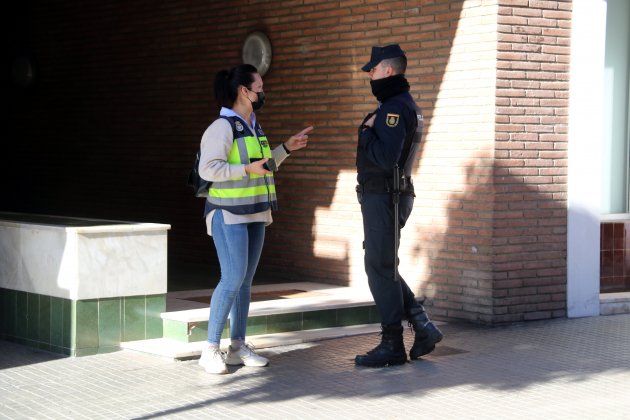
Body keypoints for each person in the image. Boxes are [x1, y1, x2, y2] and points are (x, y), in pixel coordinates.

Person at [197, 64, 313, 374]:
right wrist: (245, 170)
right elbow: (208, 170)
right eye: (259, 87)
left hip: (256, 212)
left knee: (245, 282)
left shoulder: (253, 125)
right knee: (232, 278)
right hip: (229, 214)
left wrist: (286, 147)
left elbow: (262, 165)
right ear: (244, 92)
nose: (263, 92)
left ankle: (237, 347)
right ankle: (210, 349)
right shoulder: (222, 127)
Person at [354, 45, 443, 367]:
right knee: (382, 265)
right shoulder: (401, 104)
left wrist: (365, 133)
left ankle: (392, 343)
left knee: (379, 268)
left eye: (373, 69)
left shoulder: (394, 109)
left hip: (386, 195)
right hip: (388, 194)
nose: (370, 74)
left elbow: (384, 156)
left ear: (388, 71)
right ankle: (421, 325)